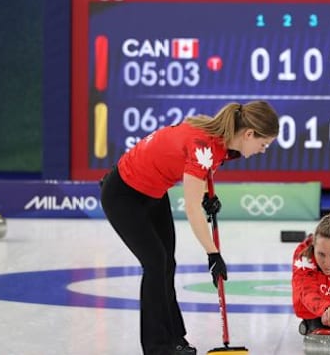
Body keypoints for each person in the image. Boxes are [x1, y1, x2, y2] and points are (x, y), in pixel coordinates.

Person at [100, 101, 279, 355]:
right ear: (249, 134)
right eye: (264, 144)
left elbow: (197, 170)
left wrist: (206, 194)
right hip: (123, 195)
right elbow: (192, 209)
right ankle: (157, 347)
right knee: (155, 263)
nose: (263, 150)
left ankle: (174, 337)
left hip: (153, 191)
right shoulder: (204, 147)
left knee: (166, 264)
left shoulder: (220, 141)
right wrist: (213, 253)